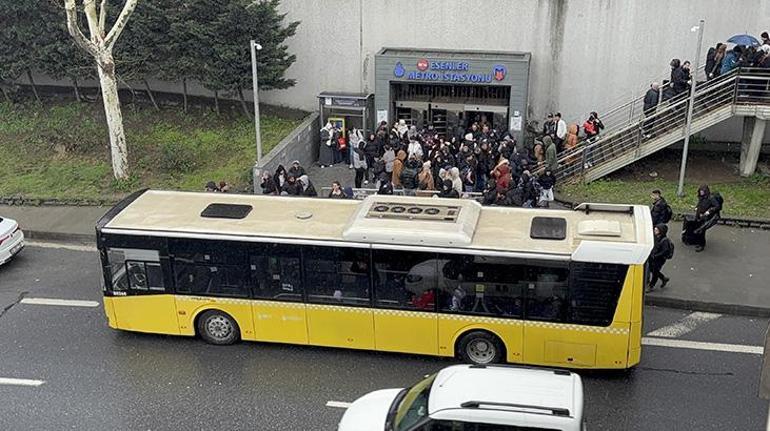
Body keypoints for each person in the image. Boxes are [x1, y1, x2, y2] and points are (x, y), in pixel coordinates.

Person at [692, 184, 722, 252]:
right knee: (699, 229)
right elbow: (700, 203)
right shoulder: (701, 197)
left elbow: (717, 206)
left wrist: (709, 211)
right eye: (700, 191)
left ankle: (702, 245)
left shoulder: (711, 198)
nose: (701, 192)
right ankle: (699, 242)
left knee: (702, 230)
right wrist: (696, 207)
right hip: (699, 215)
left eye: (702, 191)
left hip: (705, 217)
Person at [647, 224, 673, 291]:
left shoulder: (664, 241)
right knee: (653, 270)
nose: (654, 231)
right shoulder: (657, 237)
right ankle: (663, 278)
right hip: (654, 257)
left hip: (659, 259)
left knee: (655, 272)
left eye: (656, 230)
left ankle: (651, 286)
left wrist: (656, 256)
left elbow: (664, 251)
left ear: (661, 231)